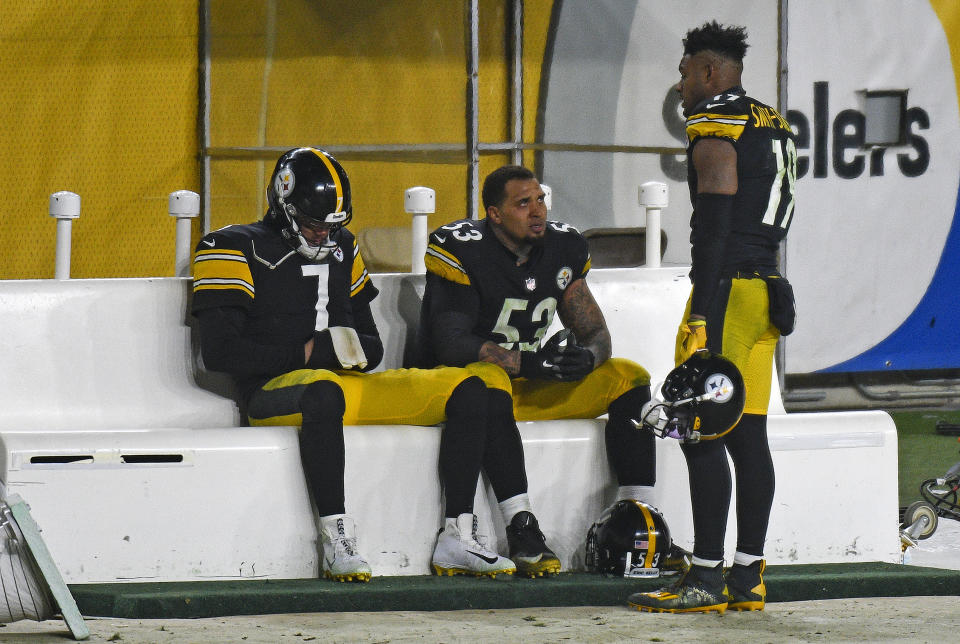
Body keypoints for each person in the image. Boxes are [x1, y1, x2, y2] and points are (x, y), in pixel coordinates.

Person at [191, 147, 517, 583]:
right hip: (271, 393)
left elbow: (370, 347)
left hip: (339, 384)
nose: (324, 237)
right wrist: (307, 353)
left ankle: (457, 535)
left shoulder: (343, 245)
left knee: (467, 388)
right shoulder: (229, 245)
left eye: (331, 227)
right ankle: (336, 539)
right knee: (324, 391)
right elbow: (221, 353)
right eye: (313, 225)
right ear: (283, 205)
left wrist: (342, 349)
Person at [415, 164, 658, 578]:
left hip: (529, 381)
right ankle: (521, 526)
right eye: (523, 203)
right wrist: (531, 363)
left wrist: (588, 357)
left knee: (628, 376)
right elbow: (452, 345)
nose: (537, 211)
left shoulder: (563, 247)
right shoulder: (462, 249)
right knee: (486, 379)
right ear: (494, 214)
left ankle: (638, 520)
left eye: (540, 199)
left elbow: (596, 332)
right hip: (464, 393)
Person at [628, 21, 797, 614]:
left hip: (727, 292)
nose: (679, 86)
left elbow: (717, 219)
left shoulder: (716, 121)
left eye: (683, 72)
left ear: (707, 71)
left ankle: (704, 576)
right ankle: (747, 574)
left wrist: (703, 306)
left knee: (698, 429)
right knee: (748, 434)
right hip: (767, 290)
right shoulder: (770, 119)